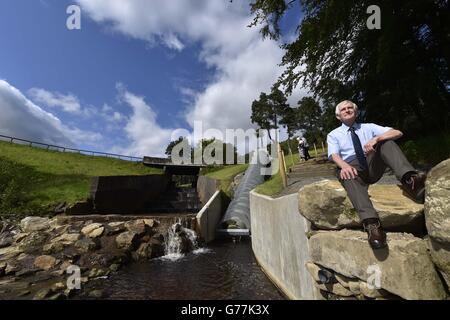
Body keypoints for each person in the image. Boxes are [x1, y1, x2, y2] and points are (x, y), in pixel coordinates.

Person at [327, 100, 426, 250]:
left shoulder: (369, 127)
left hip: (372, 163)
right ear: (338, 116)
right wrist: (344, 166)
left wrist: (377, 139)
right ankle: (372, 225)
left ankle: (411, 180)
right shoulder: (333, 134)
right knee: (347, 174)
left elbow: (398, 132)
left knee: (387, 142)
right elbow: (334, 155)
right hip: (352, 167)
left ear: (356, 112)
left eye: (350, 108)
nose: (347, 110)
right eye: (343, 109)